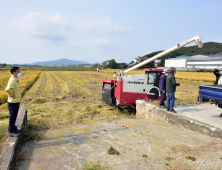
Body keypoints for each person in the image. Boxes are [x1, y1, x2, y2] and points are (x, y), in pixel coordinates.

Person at [5, 67, 22, 137]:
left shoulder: (15, 79)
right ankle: (11, 131)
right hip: (13, 102)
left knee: (14, 115)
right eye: (18, 72)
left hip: (15, 101)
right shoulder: (12, 80)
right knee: (12, 116)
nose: (19, 73)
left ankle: (13, 127)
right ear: (13, 73)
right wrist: (11, 94)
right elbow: (8, 89)